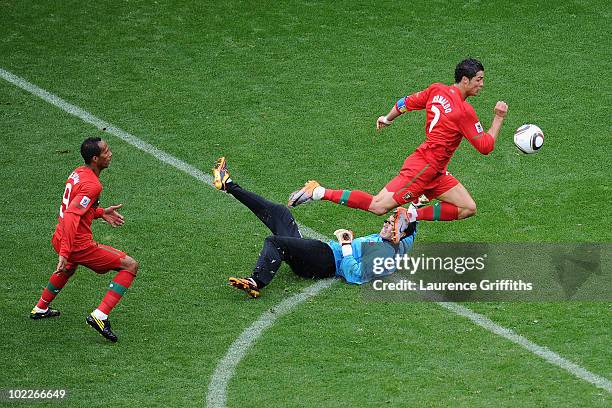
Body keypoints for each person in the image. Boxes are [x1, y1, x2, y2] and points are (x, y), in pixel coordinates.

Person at [288, 58, 509, 223]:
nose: (482, 84)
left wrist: (387, 118)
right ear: (465, 80)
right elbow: (485, 146)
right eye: (479, 80)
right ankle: (317, 191)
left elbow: (405, 102)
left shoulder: (436, 90)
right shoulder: (463, 111)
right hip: (422, 169)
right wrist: (499, 117)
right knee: (378, 206)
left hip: (436, 170)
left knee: (468, 207)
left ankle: (410, 214)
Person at [212, 157, 417, 298]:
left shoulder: (383, 254)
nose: (386, 223)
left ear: (398, 233)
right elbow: (412, 226)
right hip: (321, 255)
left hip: (325, 261)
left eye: (391, 224)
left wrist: (345, 245)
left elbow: (354, 275)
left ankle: (255, 281)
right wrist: (420, 200)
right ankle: (229, 184)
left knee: (275, 242)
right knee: (281, 214)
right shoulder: (398, 240)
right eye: (389, 220)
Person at [30, 137, 139, 342]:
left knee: (68, 268)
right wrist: (65, 251)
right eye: (106, 151)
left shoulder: (78, 173)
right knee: (130, 265)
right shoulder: (93, 185)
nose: (111, 154)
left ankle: (40, 308)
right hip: (77, 244)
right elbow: (72, 214)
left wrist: (100, 212)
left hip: (60, 235)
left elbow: (77, 208)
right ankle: (100, 316)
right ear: (95, 158)